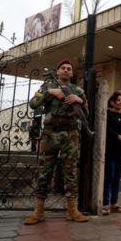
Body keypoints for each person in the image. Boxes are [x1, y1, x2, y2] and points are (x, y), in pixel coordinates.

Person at [24, 59, 88, 225]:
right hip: (50, 133)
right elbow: (33, 104)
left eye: (69, 68)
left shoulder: (78, 90)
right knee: (45, 171)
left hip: (71, 134)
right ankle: (38, 211)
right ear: (58, 71)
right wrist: (50, 93)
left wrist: (79, 101)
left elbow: (86, 113)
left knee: (71, 172)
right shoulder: (47, 86)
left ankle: (72, 210)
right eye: (63, 68)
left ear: (72, 73)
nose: (66, 70)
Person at [103, 92, 121, 215]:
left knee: (117, 177)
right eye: (118, 100)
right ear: (112, 102)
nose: (120, 102)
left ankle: (114, 203)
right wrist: (119, 137)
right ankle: (105, 204)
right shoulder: (108, 114)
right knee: (109, 176)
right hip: (111, 150)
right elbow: (107, 130)